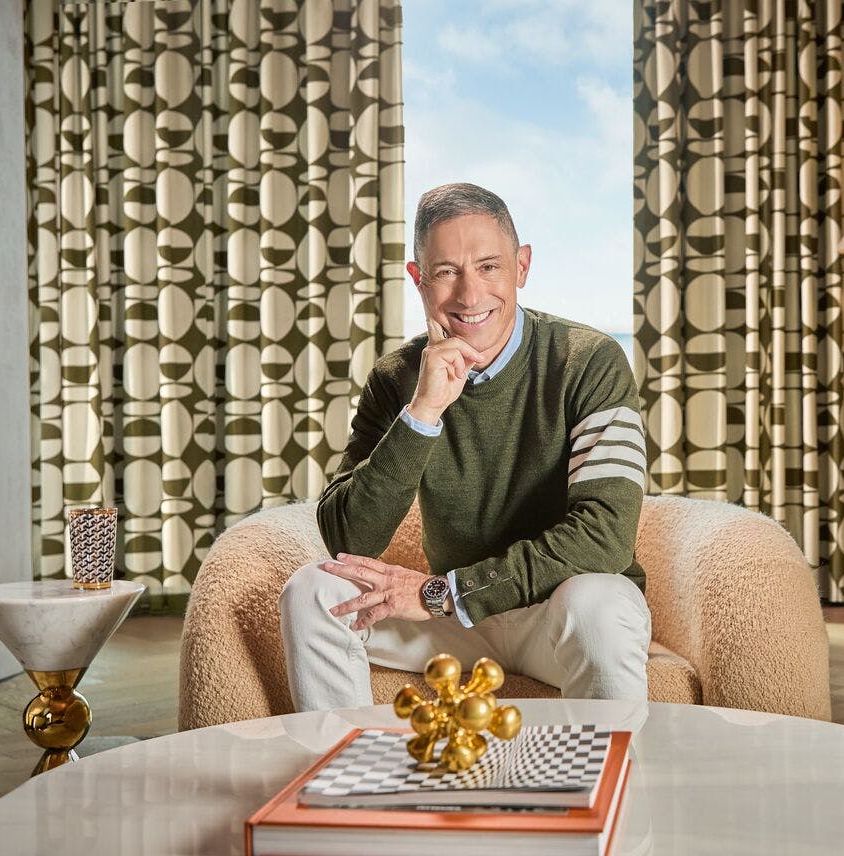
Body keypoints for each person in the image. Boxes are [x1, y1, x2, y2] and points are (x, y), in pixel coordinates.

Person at [279, 182, 651, 711]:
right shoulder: (397, 378)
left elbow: (604, 538)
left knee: (597, 599)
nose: (470, 295)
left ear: (521, 266)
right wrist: (423, 411)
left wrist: (443, 593)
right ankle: (346, 774)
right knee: (312, 591)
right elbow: (347, 535)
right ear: (419, 279)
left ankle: (606, 782)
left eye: (489, 267)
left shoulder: (590, 360)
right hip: (458, 626)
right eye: (447, 272)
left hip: (555, 615)